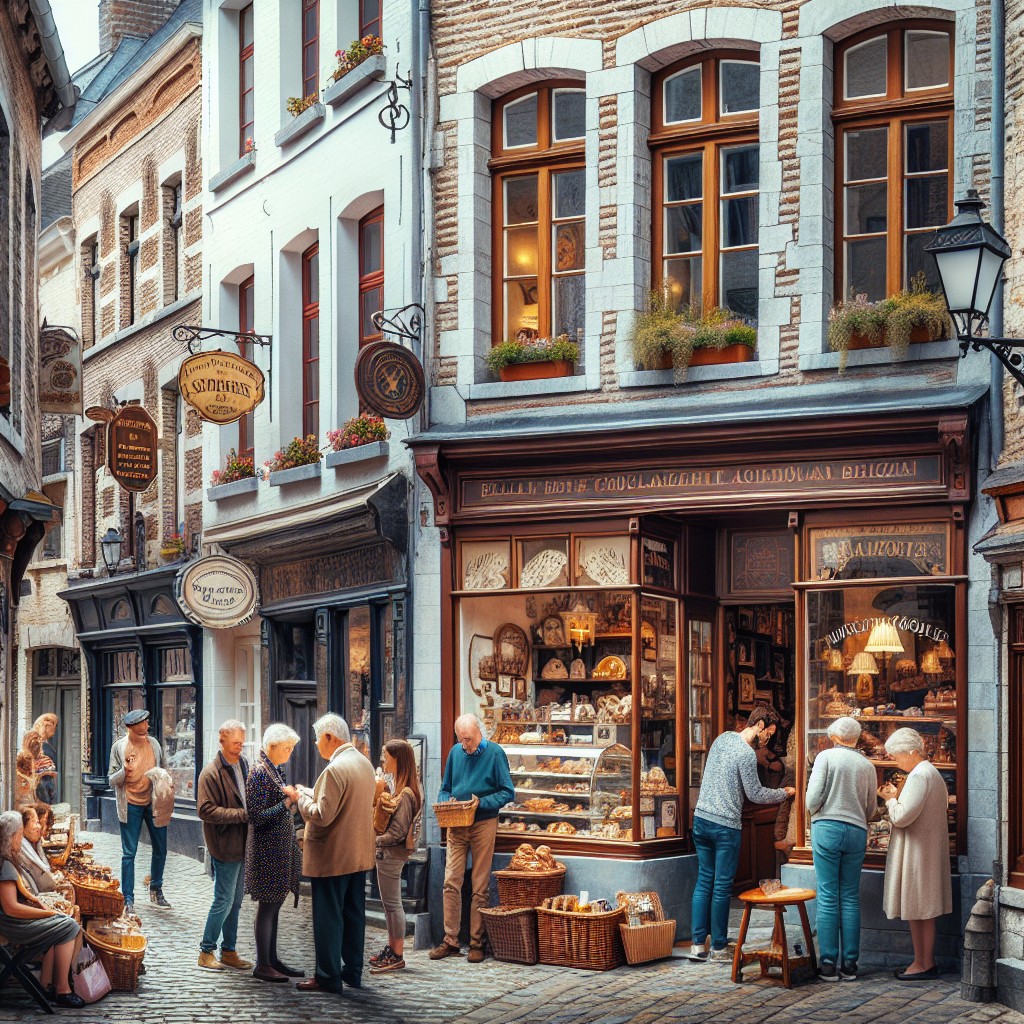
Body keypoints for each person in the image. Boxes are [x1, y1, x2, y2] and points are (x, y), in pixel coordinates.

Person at [687, 705, 795, 964]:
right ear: (759, 726)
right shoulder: (747, 754)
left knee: (704, 881)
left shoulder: (722, 739)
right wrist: (784, 793)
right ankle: (720, 948)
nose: (768, 739)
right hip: (725, 825)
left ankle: (698, 945)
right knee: (722, 886)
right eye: (768, 733)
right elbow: (755, 793)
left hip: (701, 819)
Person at [285, 713, 375, 994]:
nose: (315, 744)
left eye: (317, 739)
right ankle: (352, 972)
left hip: (333, 856)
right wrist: (312, 792)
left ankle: (327, 976)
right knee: (353, 915)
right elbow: (343, 802)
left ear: (329, 737)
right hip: (358, 855)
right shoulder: (363, 763)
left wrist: (301, 799)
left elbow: (322, 814)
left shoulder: (334, 769)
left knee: (328, 919)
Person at [431, 713, 514, 964]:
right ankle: (450, 940)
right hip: (456, 822)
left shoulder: (495, 753)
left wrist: (481, 803)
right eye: (461, 739)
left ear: (479, 732)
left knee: (480, 885)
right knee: (450, 881)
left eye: (468, 739)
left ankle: (477, 942)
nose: (465, 745)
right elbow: (445, 788)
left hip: (483, 822)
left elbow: (507, 791)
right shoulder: (456, 753)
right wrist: (448, 802)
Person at [805, 715, 877, 981]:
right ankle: (849, 964)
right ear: (856, 738)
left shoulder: (826, 757)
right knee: (849, 895)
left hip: (827, 828)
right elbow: (871, 809)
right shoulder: (867, 765)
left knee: (827, 894)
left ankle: (827, 962)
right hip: (857, 831)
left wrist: (814, 812)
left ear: (834, 737)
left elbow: (812, 798)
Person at [880, 727, 952, 981]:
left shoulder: (920, 776)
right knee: (920, 908)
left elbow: (901, 816)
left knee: (920, 907)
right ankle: (922, 960)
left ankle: (924, 962)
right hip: (924, 848)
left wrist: (890, 799)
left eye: (898, 756)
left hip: (918, 851)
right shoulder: (929, 773)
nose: (896, 761)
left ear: (912, 752)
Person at [0, 811, 83, 1008]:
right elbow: (11, 909)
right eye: (20, 834)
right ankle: (63, 990)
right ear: (11, 837)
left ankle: (52, 984)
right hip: (13, 925)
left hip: (13, 921)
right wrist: (48, 913)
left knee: (67, 923)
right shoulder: (5, 865)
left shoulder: (7, 861)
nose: (21, 838)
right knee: (68, 926)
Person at [245, 722, 303, 983]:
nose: (289, 753)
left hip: (277, 850)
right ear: (271, 747)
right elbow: (256, 817)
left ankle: (271, 958)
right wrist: (288, 802)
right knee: (268, 906)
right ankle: (263, 963)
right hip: (267, 851)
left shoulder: (273, 770)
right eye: (287, 748)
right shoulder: (259, 774)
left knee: (275, 905)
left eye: (291, 748)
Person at [196, 719, 252, 972]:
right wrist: (241, 814)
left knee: (237, 901)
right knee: (223, 900)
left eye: (241, 742)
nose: (240, 747)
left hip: (242, 844)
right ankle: (206, 950)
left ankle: (228, 950)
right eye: (235, 743)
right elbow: (205, 810)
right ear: (222, 741)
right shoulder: (210, 773)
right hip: (224, 844)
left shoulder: (243, 764)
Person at [368, 738, 423, 975]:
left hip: (391, 854)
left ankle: (397, 954)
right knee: (390, 906)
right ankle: (392, 949)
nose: (382, 758)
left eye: (385, 755)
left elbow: (398, 832)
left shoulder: (407, 793)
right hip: (388, 854)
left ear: (397, 758)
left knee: (392, 905)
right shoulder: (401, 788)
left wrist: (373, 841)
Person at [107, 708, 171, 912]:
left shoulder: (154, 744)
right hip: (131, 804)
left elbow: (163, 767)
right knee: (129, 853)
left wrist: (167, 782)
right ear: (131, 727)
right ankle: (128, 898)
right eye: (142, 723)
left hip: (153, 803)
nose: (147, 726)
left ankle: (156, 889)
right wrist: (123, 772)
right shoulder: (119, 747)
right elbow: (111, 780)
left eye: (146, 722)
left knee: (161, 848)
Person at [19, 806, 58, 895]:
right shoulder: (22, 846)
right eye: (36, 822)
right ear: (22, 827)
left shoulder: (35, 842)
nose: (40, 826)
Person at [22, 731, 57, 805]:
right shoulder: (23, 760)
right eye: (34, 746)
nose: (36, 749)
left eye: (38, 745)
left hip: (44, 792)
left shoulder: (46, 759)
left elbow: (53, 774)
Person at [32, 714, 60, 802]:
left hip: (47, 785)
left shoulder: (45, 745)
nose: (55, 728)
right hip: (40, 786)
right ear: (47, 725)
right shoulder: (37, 745)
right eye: (55, 725)